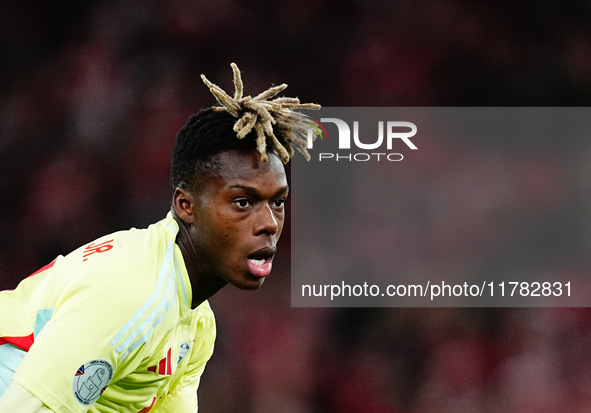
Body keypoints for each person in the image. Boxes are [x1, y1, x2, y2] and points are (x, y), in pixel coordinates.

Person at [0, 63, 320, 412]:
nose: (270, 223)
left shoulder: (196, 325)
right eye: (243, 202)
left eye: (277, 202)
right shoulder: (132, 294)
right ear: (186, 206)